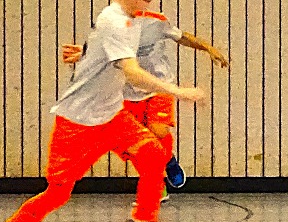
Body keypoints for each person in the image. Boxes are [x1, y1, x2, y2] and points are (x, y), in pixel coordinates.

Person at [0, 0, 207, 222]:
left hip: (111, 116)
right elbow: (131, 72)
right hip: (78, 123)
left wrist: (86, 55)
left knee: (155, 154)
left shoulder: (131, 21)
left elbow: (104, 55)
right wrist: (178, 91)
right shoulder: (114, 21)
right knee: (58, 192)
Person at [61, 12, 230, 193]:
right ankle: (157, 181)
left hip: (159, 85)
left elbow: (183, 37)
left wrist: (208, 48)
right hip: (127, 91)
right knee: (140, 144)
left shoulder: (156, 21)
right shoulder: (110, 23)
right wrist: (83, 54)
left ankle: (169, 163)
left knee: (158, 130)